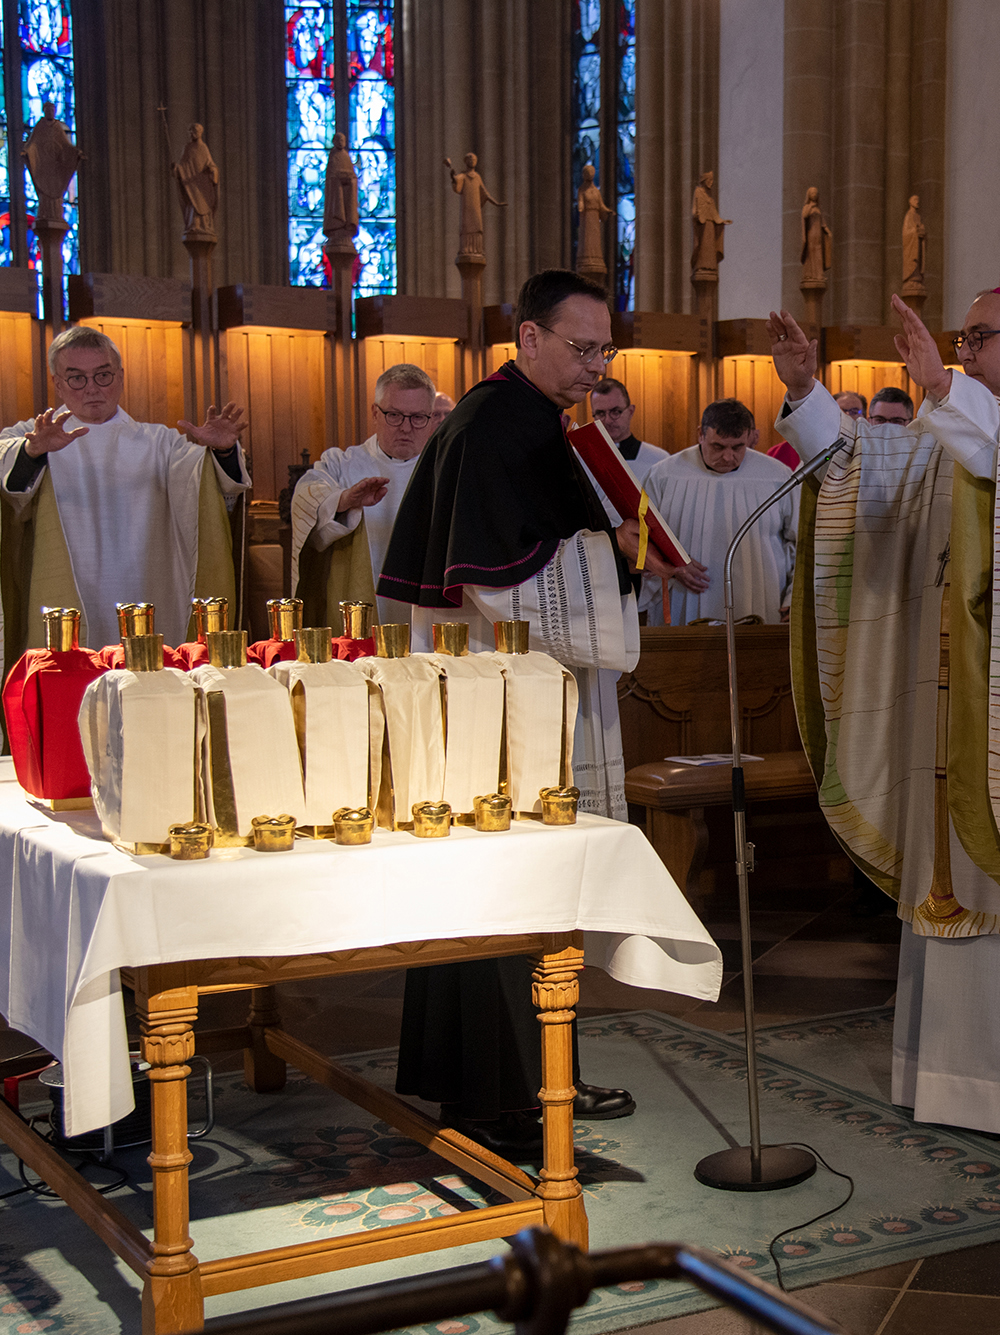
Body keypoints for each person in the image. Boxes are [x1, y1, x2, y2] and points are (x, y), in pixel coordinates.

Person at [770, 285, 1000, 1145]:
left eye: (979, 338)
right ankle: (951, 1078)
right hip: (951, 705)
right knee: (953, 871)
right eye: (962, 340)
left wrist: (944, 389)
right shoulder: (951, 424)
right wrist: (805, 392)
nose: (966, 353)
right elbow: (863, 467)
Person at [377, 269, 708, 1150]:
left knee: (512, 892)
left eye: (605, 350)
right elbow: (498, 581)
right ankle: (507, 1096)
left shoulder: (532, 421)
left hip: (513, 695)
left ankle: (513, 1077)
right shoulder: (496, 425)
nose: (598, 366)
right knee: (507, 888)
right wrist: (617, 549)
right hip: (498, 706)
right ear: (528, 337)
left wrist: (621, 549)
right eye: (582, 347)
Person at [0, 326, 249, 690]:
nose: (92, 388)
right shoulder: (35, 436)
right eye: (77, 378)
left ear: (120, 377)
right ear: (58, 383)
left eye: (103, 375)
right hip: (65, 590)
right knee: (70, 689)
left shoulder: (160, 443)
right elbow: (6, 487)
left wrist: (222, 451)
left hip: (147, 587)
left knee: (146, 688)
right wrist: (32, 454)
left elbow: (213, 488)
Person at [289, 363, 444, 626]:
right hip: (360, 616)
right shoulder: (341, 465)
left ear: (431, 418)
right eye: (394, 415)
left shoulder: (447, 470)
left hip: (429, 616)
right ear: (375, 412)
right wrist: (344, 501)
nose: (406, 428)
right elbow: (307, 496)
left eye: (418, 417)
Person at [641, 399, 797, 626]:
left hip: (762, 600)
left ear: (750, 437)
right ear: (700, 435)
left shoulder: (777, 476)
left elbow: (800, 542)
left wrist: (794, 597)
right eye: (718, 446)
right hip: (683, 597)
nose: (728, 457)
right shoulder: (663, 475)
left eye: (738, 447)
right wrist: (670, 565)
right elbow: (640, 538)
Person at [587, 376, 668, 497]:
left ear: (630, 411)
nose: (608, 420)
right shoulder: (580, 458)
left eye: (615, 412)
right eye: (600, 413)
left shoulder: (659, 460)